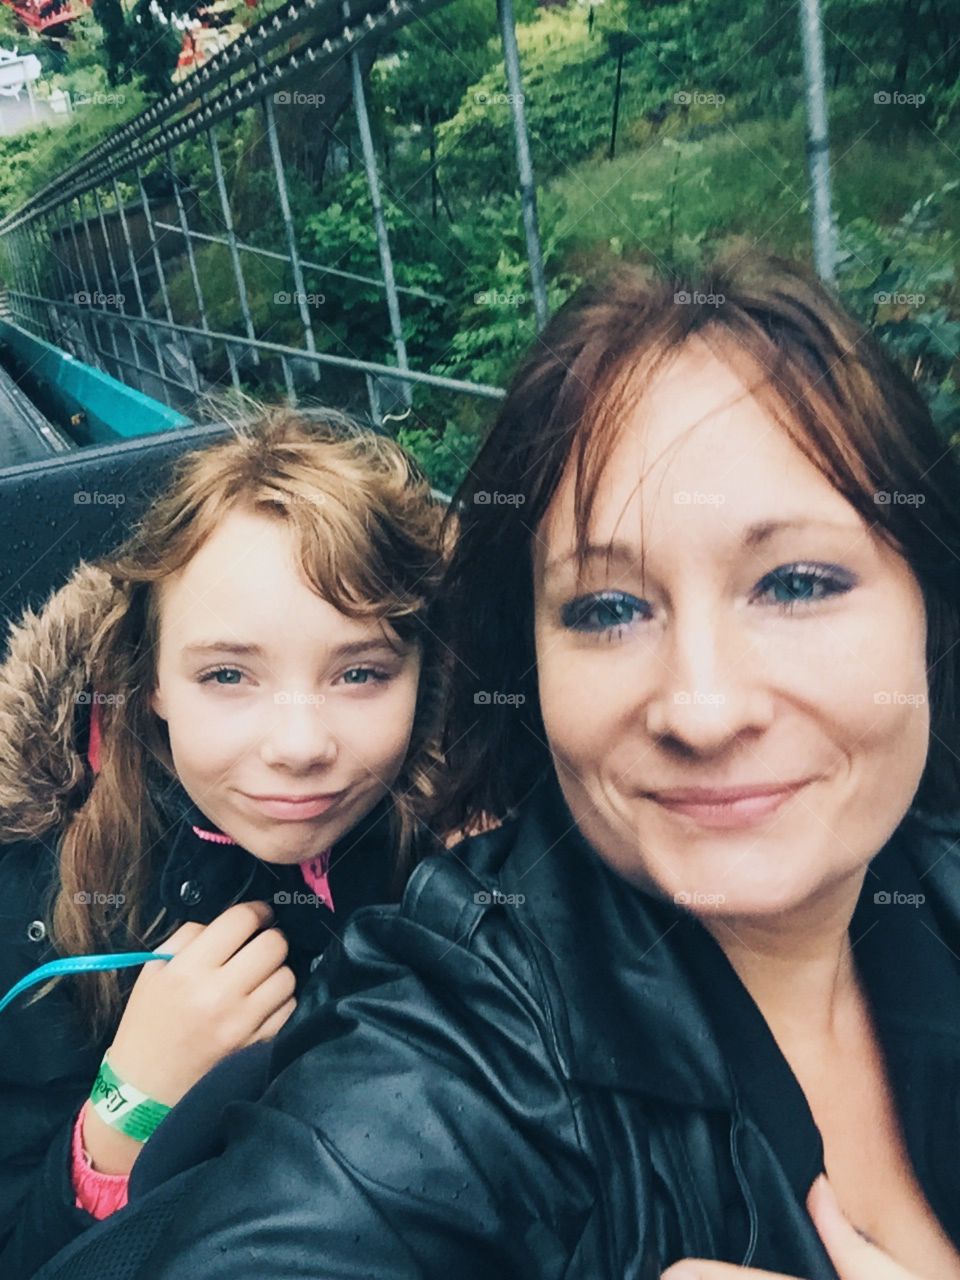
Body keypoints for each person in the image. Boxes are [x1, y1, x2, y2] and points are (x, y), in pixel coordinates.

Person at [28, 255, 960, 1280]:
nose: (705, 706)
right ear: (148, 680)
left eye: (797, 583)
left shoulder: (441, 834)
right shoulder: (463, 988)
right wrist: (115, 1120)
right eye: (608, 607)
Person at [0, 407, 447, 1278]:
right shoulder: (34, 898)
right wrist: (125, 1107)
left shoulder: (480, 859)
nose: (299, 745)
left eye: (360, 673)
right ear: (151, 682)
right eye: (228, 676)